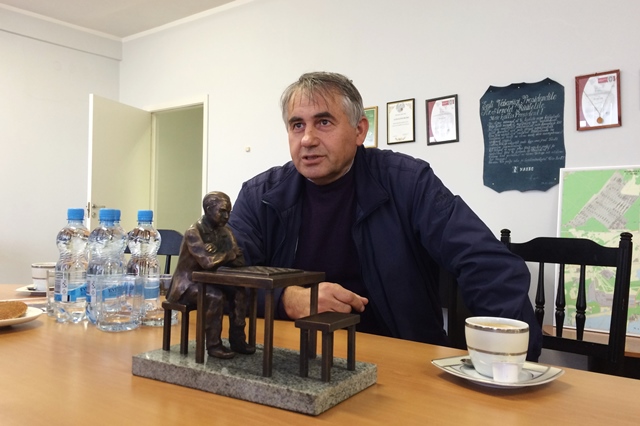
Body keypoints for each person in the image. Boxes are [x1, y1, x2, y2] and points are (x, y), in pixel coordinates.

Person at [228, 72, 542, 360]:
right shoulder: (260, 196)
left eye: (323, 122)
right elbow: (220, 279)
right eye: (297, 125)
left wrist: (511, 363)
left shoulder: (408, 182)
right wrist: (285, 299)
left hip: (396, 357)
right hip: (287, 356)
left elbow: (488, 264)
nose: (307, 138)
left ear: (359, 131)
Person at [167, 191, 255, 359]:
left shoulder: (225, 231)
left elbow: (240, 261)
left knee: (239, 291)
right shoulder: (194, 232)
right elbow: (208, 263)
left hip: (207, 281)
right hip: (187, 284)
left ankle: (237, 340)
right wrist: (228, 254)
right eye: (222, 211)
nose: (227, 216)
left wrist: (219, 254)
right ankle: (214, 345)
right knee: (215, 297)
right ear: (208, 209)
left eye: (229, 212)